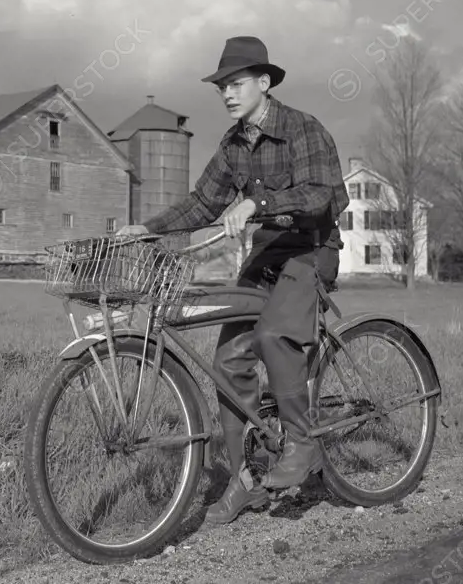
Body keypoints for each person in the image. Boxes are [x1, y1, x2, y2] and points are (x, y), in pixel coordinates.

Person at [116, 35, 350, 524]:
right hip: (267, 254)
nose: (226, 92)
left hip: (312, 247)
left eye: (236, 83)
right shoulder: (232, 144)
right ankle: (246, 478)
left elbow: (319, 197)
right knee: (227, 359)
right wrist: (149, 227)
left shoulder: (303, 129)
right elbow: (203, 202)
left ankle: (302, 447)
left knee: (273, 333)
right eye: (221, 85)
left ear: (263, 84)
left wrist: (257, 204)